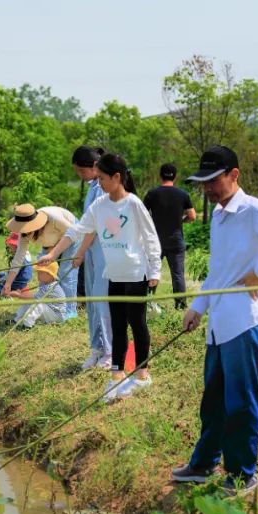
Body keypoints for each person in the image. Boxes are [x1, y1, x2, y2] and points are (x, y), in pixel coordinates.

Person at [170, 145, 258, 495]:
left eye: (213, 181)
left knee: (240, 402)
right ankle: (203, 464)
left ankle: (243, 474)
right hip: (219, 323)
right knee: (213, 400)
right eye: (203, 182)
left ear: (234, 175)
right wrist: (198, 307)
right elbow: (219, 271)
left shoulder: (254, 211)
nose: (208, 189)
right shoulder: (218, 215)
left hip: (245, 322)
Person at [41, 153, 162, 401]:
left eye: (103, 178)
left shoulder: (134, 204)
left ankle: (142, 374)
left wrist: (155, 271)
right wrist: (53, 253)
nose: (100, 183)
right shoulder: (100, 206)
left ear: (117, 177)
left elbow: (150, 238)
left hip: (136, 273)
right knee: (117, 326)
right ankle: (116, 377)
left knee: (137, 324)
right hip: (114, 273)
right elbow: (77, 230)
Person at [70, 146, 111, 368]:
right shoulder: (91, 188)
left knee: (102, 301)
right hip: (92, 251)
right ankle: (96, 348)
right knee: (92, 302)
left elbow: (94, 226)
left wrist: (80, 251)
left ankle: (110, 351)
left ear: (94, 166)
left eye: (81, 172)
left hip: (105, 251)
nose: (80, 176)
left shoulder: (105, 188)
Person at [2, 204, 79, 321]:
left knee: (65, 273)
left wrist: (53, 253)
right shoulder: (24, 234)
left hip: (71, 237)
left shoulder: (53, 218)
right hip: (49, 245)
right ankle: (47, 304)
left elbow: (74, 233)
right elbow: (18, 259)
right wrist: (8, 283)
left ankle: (69, 311)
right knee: (44, 273)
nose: (25, 231)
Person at [143, 163, 196, 309]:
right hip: (176, 240)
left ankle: (148, 301)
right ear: (176, 176)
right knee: (178, 274)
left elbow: (142, 214)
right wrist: (181, 221)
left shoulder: (152, 193)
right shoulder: (182, 194)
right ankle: (180, 304)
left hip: (155, 241)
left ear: (160, 175)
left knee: (152, 270)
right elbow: (192, 216)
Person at [7, 259, 67, 328]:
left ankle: (27, 325)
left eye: (40, 273)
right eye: (38, 272)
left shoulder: (51, 287)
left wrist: (19, 295)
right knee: (30, 302)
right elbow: (34, 297)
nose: (38, 275)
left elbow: (34, 297)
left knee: (38, 304)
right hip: (49, 310)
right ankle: (17, 320)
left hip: (57, 315)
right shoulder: (44, 283)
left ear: (50, 275)